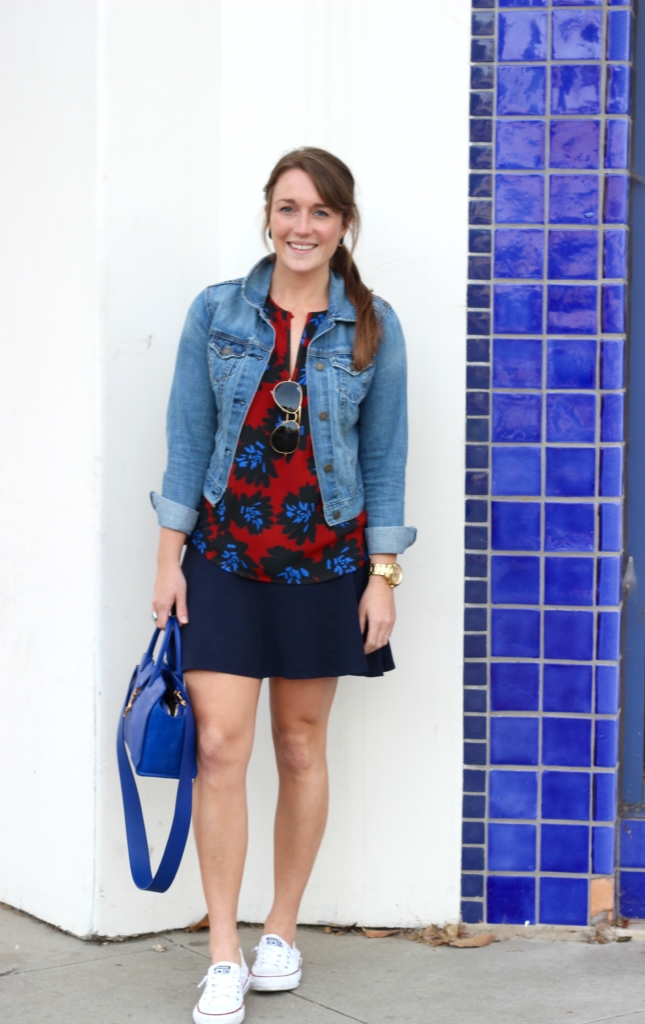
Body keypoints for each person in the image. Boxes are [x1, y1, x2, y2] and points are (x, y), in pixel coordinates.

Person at [150, 147, 416, 1024]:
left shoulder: (372, 328)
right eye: (288, 208)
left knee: (299, 747)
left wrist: (382, 576)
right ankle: (222, 949)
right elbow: (188, 442)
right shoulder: (218, 313)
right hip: (224, 557)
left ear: (344, 226)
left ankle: (281, 931)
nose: (303, 227)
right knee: (220, 747)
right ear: (267, 215)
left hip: (324, 566)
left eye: (321, 213)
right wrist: (167, 561)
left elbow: (383, 462)